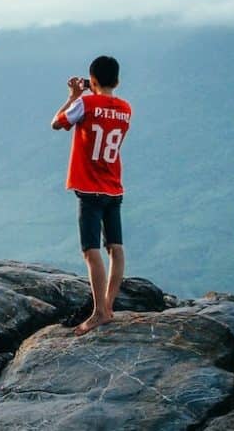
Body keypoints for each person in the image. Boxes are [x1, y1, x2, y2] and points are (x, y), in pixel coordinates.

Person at [50, 55, 132, 335]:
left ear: (92, 80)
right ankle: (108, 305)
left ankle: (99, 313)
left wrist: (74, 96)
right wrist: (93, 92)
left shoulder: (85, 103)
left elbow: (57, 123)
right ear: (117, 81)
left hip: (89, 188)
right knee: (116, 248)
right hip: (114, 187)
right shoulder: (125, 109)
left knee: (91, 251)